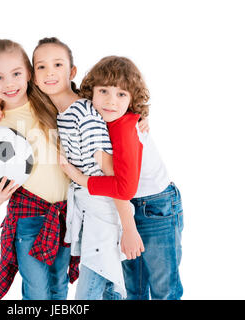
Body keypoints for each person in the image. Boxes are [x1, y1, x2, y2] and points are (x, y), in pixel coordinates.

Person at [60, 56, 184, 300]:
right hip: (126, 206)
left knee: (164, 287)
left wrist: (81, 178)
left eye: (121, 95)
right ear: (91, 92)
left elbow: (125, 188)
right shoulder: (97, 118)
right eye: (104, 91)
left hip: (156, 207)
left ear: (131, 99)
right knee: (132, 287)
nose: (110, 101)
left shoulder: (124, 127)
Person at [0, 39, 79, 300]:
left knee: (59, 288)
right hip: (28, 217)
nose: (9, 83)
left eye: (16, 74)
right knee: (37, 292)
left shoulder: (50, 101)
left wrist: (138, 115)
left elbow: (97, 102)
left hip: (64, 214)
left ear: (29, 73)